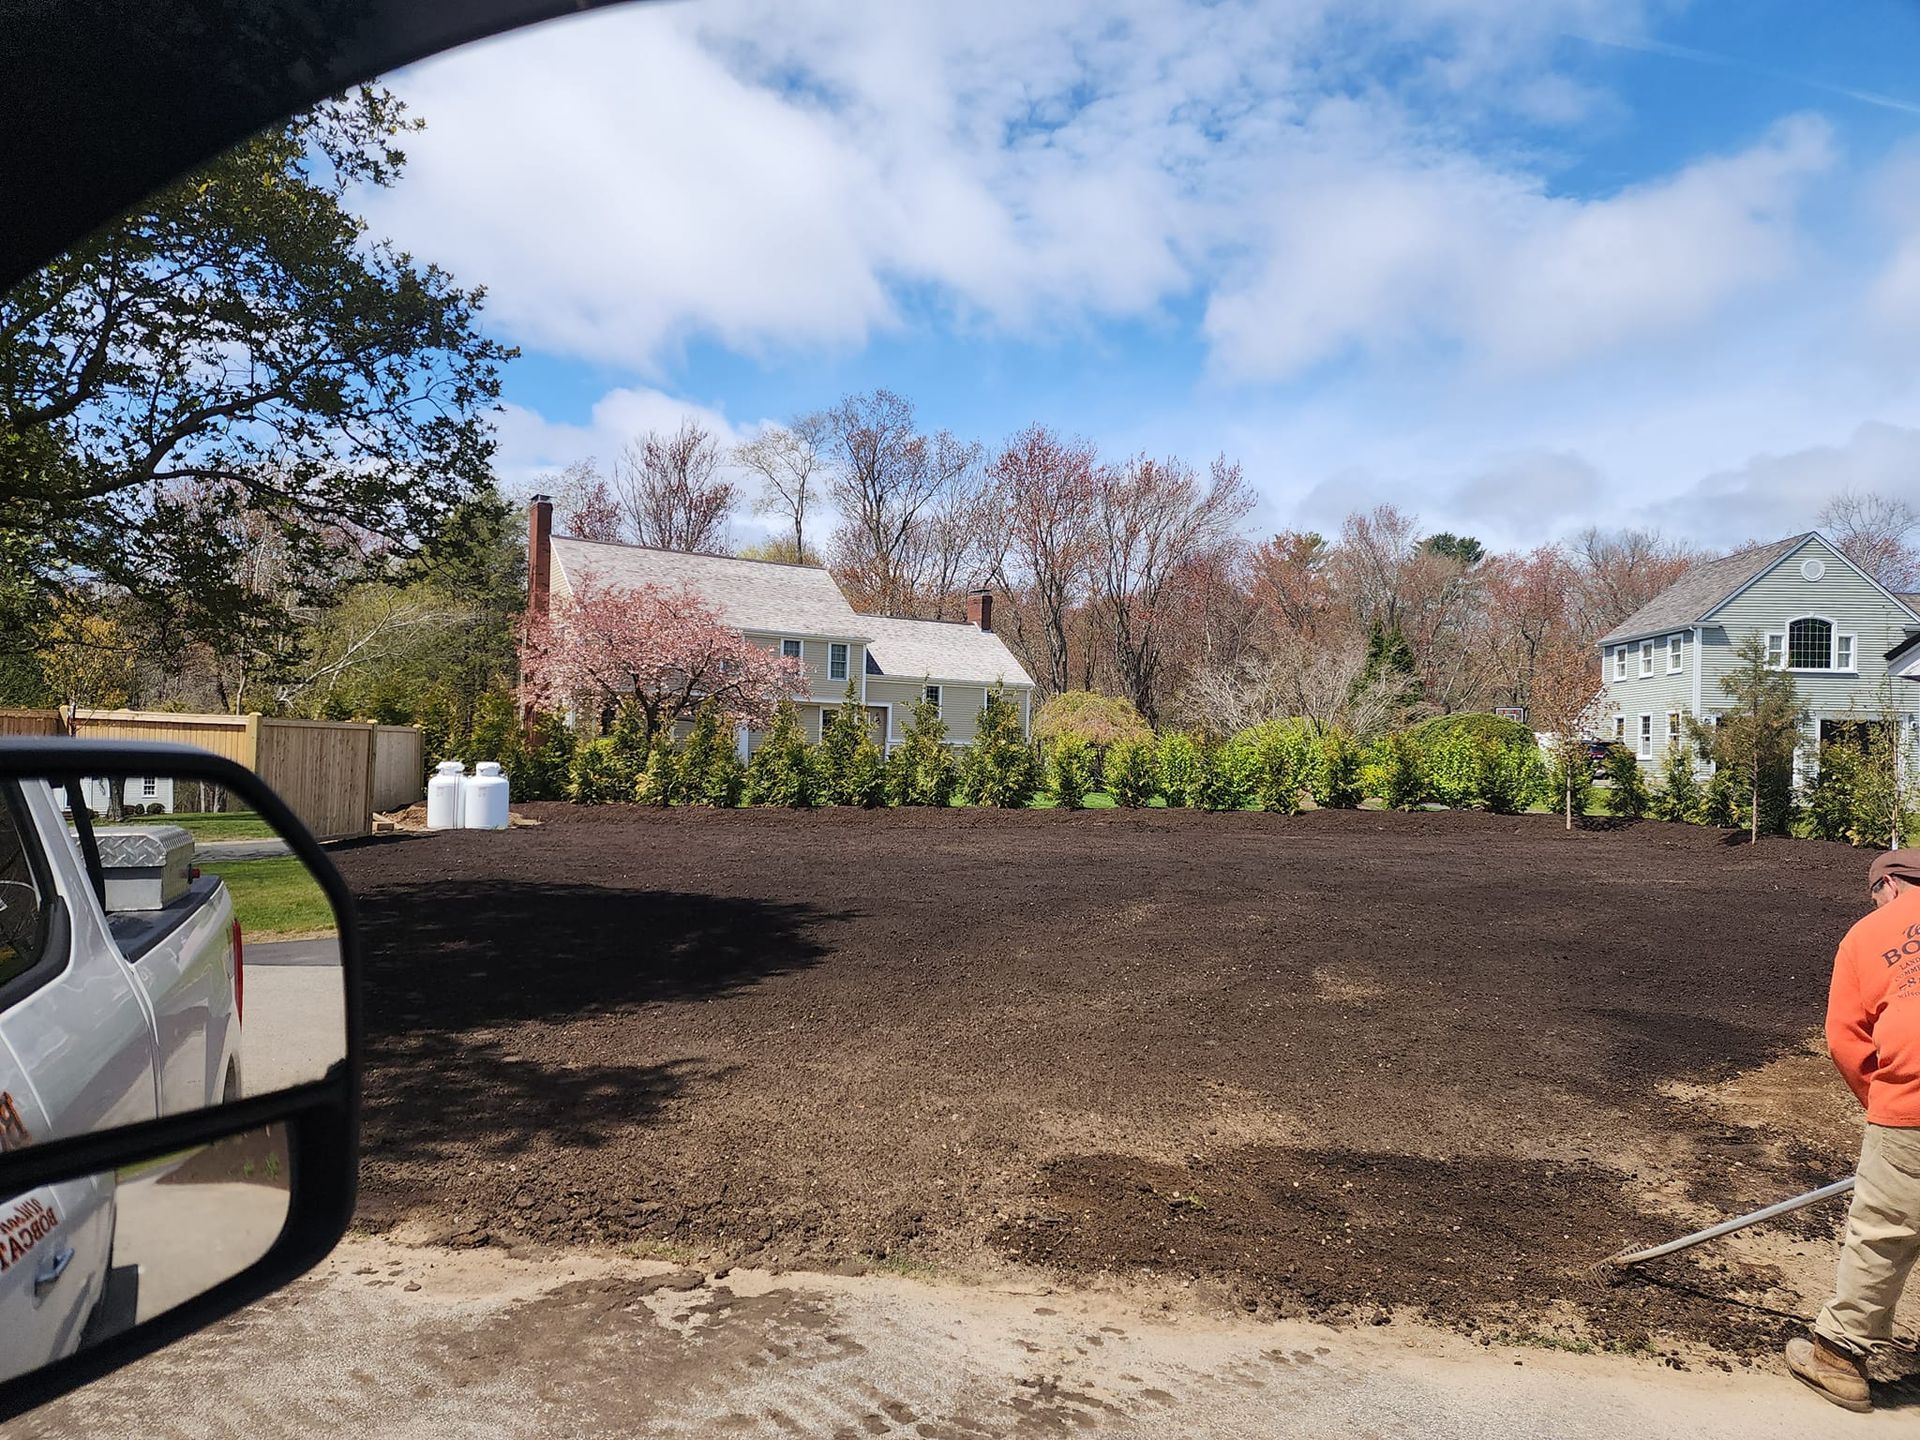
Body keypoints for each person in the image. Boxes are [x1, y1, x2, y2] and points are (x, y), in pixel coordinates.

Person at [1785, 849, 1920, 1412]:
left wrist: (1884, 1104)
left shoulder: (1869, 936)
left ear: (1888, 885)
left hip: (1911, 1104)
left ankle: (1839, 1359)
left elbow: (1845, 1039)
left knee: (1883, 1232)